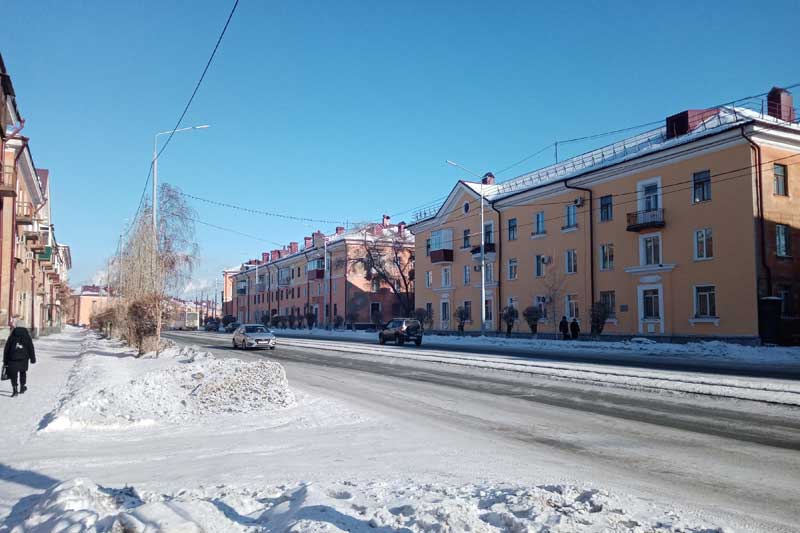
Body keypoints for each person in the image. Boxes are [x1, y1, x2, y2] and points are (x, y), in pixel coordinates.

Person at [3, 326, 36, 398]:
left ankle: (15, 390)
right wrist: (32, 359)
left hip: (12, 359)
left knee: (13, 375)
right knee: (23, 373)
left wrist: (5, 361)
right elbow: (31, 348)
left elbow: (6, 349)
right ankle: (22, 388)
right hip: (23, 359)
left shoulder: (12, 337)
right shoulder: (27, 337)